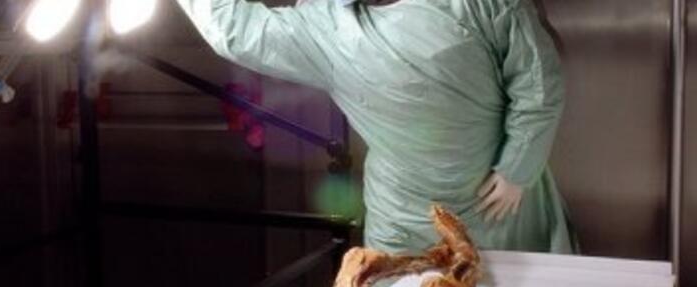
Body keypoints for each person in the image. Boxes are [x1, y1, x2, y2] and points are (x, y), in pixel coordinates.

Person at [173, 0, 576, 255]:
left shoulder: (482, 4)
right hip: (403, 215)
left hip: (500, 205)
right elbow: (234, 31)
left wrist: (517, 169)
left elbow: (538, 83)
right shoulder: (325, 26)